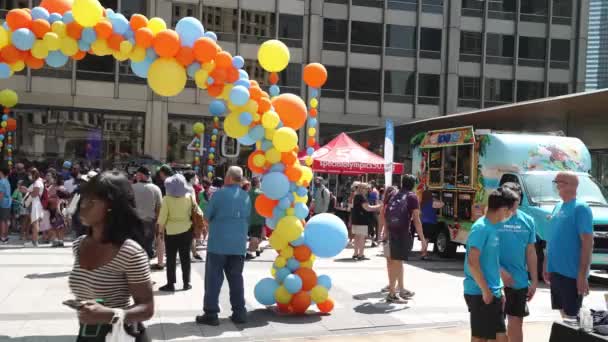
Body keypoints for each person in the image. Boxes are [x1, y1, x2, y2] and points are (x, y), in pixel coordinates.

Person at [69, 172, 154, 341]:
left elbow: (147, 308)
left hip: (119, 336)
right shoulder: (79, 244)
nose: (82, 206)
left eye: (90, 201)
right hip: (87, 335)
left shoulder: (130, 252)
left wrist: (110, 315)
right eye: (82, 199)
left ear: (111, 206)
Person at [196, 166, 251, 326]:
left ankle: (211, 313)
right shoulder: (246, 196)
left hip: (218, 244)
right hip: (239, 244)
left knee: (213, 280)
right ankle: (239, 312)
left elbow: (206, 218)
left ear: (228, 178)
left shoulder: (218, 195)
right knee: (236, 279)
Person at [464, 188, 518, 342]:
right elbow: (472, 262)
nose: (513, 214)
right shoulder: (481, 228)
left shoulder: (493, 226)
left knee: (498, 337)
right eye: (511, 210)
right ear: (503, 210)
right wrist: (485, 291)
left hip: (492, 291)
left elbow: (490, 262)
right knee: (481, 338)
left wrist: (498, 290)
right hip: (479, 292)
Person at [544, 171, 593, 319]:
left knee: (572, 317)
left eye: (559, 182)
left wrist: (582, 275)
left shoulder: (581, 208)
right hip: (556, 272)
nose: (556, 185)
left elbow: (588, 243)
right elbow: (552, 237)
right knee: (563, 315)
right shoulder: (558, 206)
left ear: (573, 186)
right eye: (555, 182)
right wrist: (547, 264)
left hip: (572, 274)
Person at [498, 182, 538, 342]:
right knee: (495, 326)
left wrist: (534, 280)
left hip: (519, 282)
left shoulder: (528, 220)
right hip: (494, 281)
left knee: (516, 323)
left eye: (516, 197)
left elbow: (530, 252)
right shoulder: (493, 219)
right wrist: (500, 271)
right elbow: (482, 253)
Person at [383, 175, 427, 302]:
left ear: (402, 183)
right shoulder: (412, 196)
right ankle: (392, 294)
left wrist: (385, 231)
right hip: (402, 232)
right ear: (413, 184)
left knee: (395, 261)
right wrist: (422, 239)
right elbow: (417, 220)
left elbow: (385, 213)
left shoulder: (393, 194)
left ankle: (400, 289)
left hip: (392, 230)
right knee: (397, 262)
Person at [157, 174, 197, 292]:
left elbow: (162, 218)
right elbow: (196, 211)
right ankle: (186, 283)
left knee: (170, 258)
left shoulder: (167, 199)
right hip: (186, 230)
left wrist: (160, 233)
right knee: (185, 258)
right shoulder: (189, 197)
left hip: (171, 231)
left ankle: (170, 284)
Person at [132, 166, 163, 260]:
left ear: (140, 175)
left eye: (137, 174)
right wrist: (158, 223)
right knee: (148, 245)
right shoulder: (156, 189)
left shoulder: (131, 188)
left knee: (135, 245)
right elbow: (159, 208)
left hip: (134, 221)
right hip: (150, 221)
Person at [350, 183, 382, 260]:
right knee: (361, 238)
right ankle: (361, 254)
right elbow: (367, 208)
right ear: (362, 188)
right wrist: (378, 207)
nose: (367, 190)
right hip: (362, 219)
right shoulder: (361, 197)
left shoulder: (355, 196)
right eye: (366, 188)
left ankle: (355, 253)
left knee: (357, 237)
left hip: (355, 219)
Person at [183, 170, 203, 261]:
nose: (196, 179)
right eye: (195, 177)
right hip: (190, 214)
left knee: (190, 235)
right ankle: (192, 253)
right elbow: (193, 204)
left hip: (184, 214)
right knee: (191, 235)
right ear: (191, 179)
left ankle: (193, 252)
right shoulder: (190, 188)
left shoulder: (184, 186)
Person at [23, 168, 45, 247]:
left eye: (30, 174)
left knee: (35, 223)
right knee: (36, 223)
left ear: (33, 174)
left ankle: (34, 242)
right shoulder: (39, 181)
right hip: (37, 203)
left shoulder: (37, 182)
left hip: (36, 203)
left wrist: (27, 192)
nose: (29, 176)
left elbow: (35, 193)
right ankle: (34, 241)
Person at [420, 189, 444, 260]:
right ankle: (424, 254)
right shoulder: (432, 203)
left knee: (424, 239)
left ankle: (423, 253)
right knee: (426, 239)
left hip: (423, 223)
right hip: (430, 223)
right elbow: (442, 204)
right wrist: (435, 199)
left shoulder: (422, 203)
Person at [246, 177, 264, 260]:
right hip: (258, 218)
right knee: (256, 236)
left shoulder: (247, 193)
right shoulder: (260, 193)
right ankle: (249, 252)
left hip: (249, 218)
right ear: (257, 183)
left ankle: (257, 249)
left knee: (257, 235)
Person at [0, 167, 11, 244]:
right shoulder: (7, 181)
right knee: (6, 220)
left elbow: (1, 194)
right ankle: (6, 236)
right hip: (8, 203)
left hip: (3, 203)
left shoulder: (1, 181)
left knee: (2, 221)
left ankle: (2, 237)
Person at [367, 180, 380, 247]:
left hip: (371, 211)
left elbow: (376, 202)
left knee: (374, 225)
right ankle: (375, 239)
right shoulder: (374, 193)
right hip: (372, 211)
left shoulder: (373, 193)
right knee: (374, 225)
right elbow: (376, 202)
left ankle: (375, 239)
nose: (368, 189)